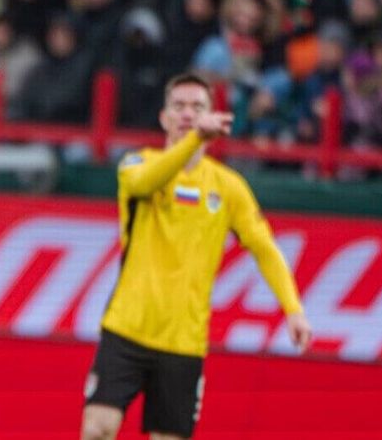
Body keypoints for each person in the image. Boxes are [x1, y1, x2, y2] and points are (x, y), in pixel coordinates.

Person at [80, 73, 312, 440]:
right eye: (179, 106)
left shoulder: (228, 187)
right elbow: (143, 184)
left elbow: (264, 247)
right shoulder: (137, 163)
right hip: (126, 329)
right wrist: (194, 140)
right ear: (164, 118)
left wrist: (293, 308)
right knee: (97, 428)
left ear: (213, 116)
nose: (188, 114)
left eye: (197, 107)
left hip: (184, 341)